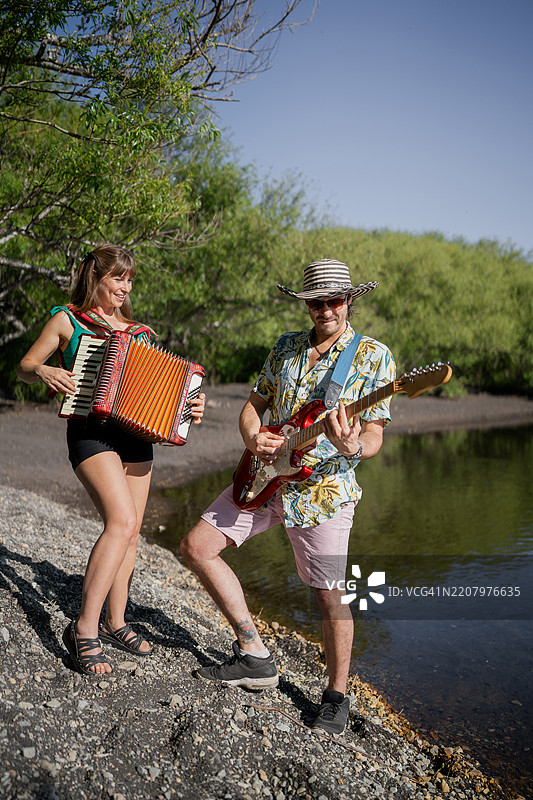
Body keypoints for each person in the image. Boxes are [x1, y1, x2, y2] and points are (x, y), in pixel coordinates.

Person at [180, 258, 395, 735]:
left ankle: (336, 697)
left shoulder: (374, 357)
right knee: (196, 548)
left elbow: (375, 434)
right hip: (265, 476)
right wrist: (253, 439)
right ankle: (254, 654)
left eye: (333, 301)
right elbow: (252, 408)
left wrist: (352, 445)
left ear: (350, 300)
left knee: (329, 596)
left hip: (323, 492)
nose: (325, 310)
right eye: (315, 302)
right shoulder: (285, 349)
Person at [17, 244, 205, 675]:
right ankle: (84, 629)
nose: (126, 286)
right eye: (118, 277)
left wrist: (190, 407)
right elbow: (25, 365)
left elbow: (168, 393)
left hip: (137, 438)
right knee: (119, 521)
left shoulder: (140, 333)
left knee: (134, 530)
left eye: (130, 279)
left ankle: (116, 620)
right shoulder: (67, 320)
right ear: (95, 277)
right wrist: (45, 371)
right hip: (90, 433)